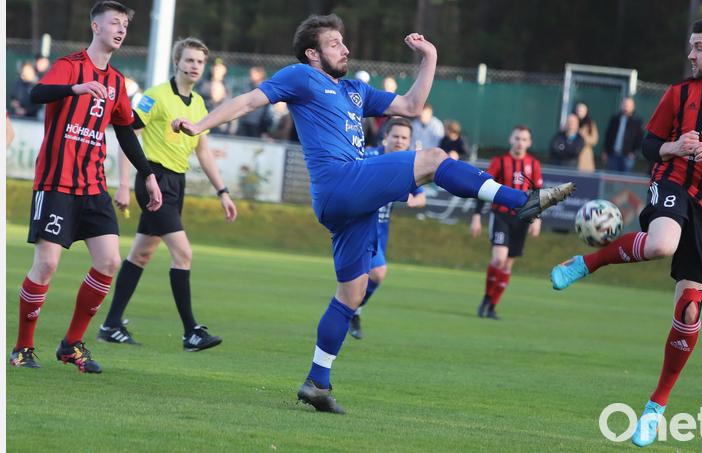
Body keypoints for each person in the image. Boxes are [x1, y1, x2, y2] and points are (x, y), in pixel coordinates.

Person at [172, 14, 574, 414]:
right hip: (339, 182)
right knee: (434, 157)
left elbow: (412, 106)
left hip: (349, 201)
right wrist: (199, 125)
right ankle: (520, 201)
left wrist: (430, 57)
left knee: (351, 293)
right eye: (334, 44)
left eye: (343, 42)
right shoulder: (300, 77)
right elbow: (247, 101)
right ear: (312, 54)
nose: (345, 49)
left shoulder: (354, 90)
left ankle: (317, 382)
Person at [549, 15, 702, 447]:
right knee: (662, 243)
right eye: (690, 46)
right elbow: (648, 145)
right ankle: (587, 263)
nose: (690, 54)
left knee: (689, 311)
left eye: (698, 47)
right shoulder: (679, 92)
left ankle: (655, 407)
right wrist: (674, 147)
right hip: (672, 182)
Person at [9, 1, 162, 373]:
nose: (121, 29)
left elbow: (125, 131)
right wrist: (76, 88)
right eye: (114, 22)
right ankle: (22, 348)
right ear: (96, 27)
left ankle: (71, 344)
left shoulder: (117, 82)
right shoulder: (70, 65)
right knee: (46, 264)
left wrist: (147, 174)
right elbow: (36, 94)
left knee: (109, 261)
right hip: (56, 181)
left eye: (125, 24)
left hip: (93, 185)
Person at [97, 37, 237, 350]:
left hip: (176, 184)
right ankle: (191, 332)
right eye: (189, 60)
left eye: (200, 61)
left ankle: (110, 325)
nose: (195, 66)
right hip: (154, 180)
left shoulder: (198, 104)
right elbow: (127, 134)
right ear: (177, 62)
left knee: (141, 254)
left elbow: (203, 151)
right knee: (183, 253)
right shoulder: (155, 95)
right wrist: (123, 183)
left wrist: (223, 192)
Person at [348, 117, 426, 340]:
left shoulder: (408, 165)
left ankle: (352, 311)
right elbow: (350, 179)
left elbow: (421, 197)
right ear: (386, 137)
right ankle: (350, 312)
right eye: (396, 136)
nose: (399, 141)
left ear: (409, 142)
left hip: (380, 230)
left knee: (365, 279)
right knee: (376, 273)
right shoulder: (369, 156)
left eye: (404, 138)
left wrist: (412, 200)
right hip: (359, 225)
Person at [471, 125, 542, 319]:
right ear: (511, 140)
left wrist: (537, 219)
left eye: (524, 139)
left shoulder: (533, 164)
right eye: (517, 138)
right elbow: (484, 186)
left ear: (529, 143)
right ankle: (486, 299)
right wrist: (477, 216)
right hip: (501, 215)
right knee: (499, 259)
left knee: (508, 265)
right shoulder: (499, 161)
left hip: (522, 219)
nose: (520, 142)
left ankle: (492, 306)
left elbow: (537, 194)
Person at [603, 96, 643, 172]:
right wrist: (605, 151)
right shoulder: (614, 119)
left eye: (628, 105)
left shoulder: (637, 121)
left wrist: (633, 152)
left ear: (633, 107)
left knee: (625, 177)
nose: (626, 107)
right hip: (613, 155)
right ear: (621, 105)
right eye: (624, 104)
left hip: (627, 157)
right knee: (611, 177)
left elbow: (639, 139)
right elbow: (608, 135)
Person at [237, 66, 273, 138]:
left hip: (259, 123)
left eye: (253, 74)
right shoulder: (248, 86)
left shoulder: (266, 87)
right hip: (246, 120)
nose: (250, 76)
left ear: (260, 75)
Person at [575, 102, 598, 172]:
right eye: (578, 110)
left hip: (584, 156)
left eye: (582, 111)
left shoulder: (590, 123)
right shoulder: (571, 121)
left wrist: (583, 137)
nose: (580, 112)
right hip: (571, 156)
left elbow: (594, 140)